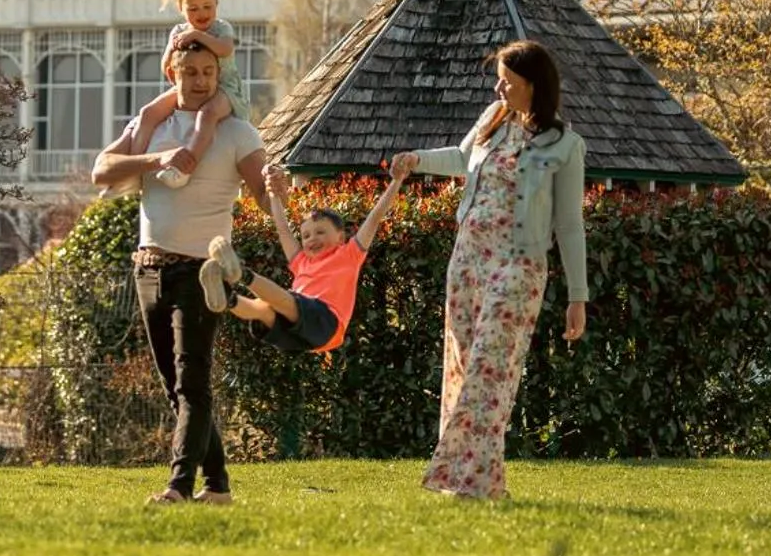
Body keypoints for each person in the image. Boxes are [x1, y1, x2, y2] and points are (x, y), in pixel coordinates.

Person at [390, 40, 589, 500]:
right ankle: (478, 482)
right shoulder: (491, 119)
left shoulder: (564, 145)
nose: (499, 86)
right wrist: (417, 159)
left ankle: (466, 478)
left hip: (518, 268)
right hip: (468, 261)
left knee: (490, 371)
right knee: (462, 367)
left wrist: (578, 297)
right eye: (499, 77)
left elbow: (570, 225)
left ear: (535, 87)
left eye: (509, 81)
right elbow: (462, 161)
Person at [92, 36, 270, 505]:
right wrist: (156, 159)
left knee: (193, 381)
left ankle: (178, 486)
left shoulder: (236, 132)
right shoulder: (153, 124)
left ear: (219, 74)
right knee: (177, 387)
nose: (200, 81)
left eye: (208, 72)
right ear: (173, 73)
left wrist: (281, 191)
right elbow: (102, 169)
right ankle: (218, 487)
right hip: (148, 267)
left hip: (202, 272)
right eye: (190, 72)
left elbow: (267, 197)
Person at [200, 157, 412, 354]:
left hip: (327, 321)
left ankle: (241, 274)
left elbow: (375, 218)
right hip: (302, 338)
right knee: (262, 310)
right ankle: (227, 300)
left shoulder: (349, 254)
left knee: (286, 300)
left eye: (320, 232)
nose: (312, 239)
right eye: (306, 236)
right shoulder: (301, 261)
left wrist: (396, 181)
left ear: (341, 237)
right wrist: (273, 192)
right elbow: (282, 228)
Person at [126, 0, 244, 188]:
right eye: (193, 9)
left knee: (207, 115)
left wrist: (198, 37)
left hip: (224, 90)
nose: (201, 14)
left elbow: (225, 49)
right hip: (189, 88)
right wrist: (172, 48)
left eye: (207, 7)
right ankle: (133, 167)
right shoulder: (179, 31)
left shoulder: (220, 28)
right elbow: (166, 68)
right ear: (181, 9)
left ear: (217, 4)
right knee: (148, 113)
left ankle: (184, 168)